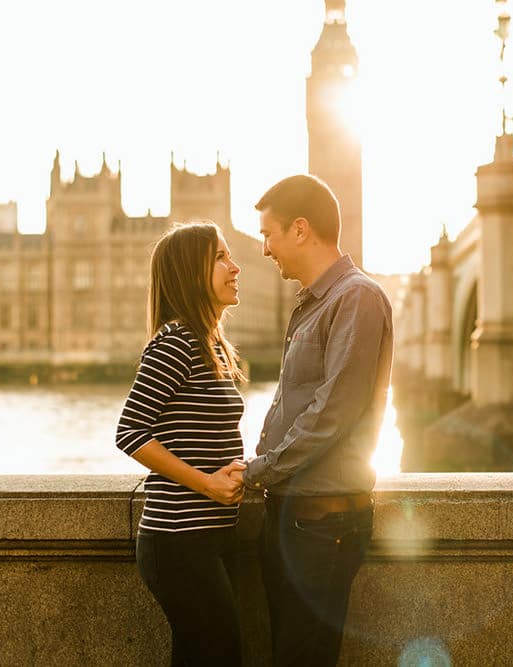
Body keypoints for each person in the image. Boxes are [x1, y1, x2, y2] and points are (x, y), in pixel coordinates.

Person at [242, 174, 395, 666]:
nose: (265, 248)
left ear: (301, 229)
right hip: (294, 513)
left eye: (269, 233)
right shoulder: (313, 302)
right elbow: (295, 402)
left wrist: (260, 468)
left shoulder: (356, 298)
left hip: (322, 520)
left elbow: (333, 412)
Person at [115, 220, 248, 666]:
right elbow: (130, 432)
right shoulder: (176, 341)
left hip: (208, 536)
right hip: (177, 539)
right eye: (220, 257)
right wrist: (208, 485)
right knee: (220, 652)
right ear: (191, 272)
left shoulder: (212, 344)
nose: (236, 267)